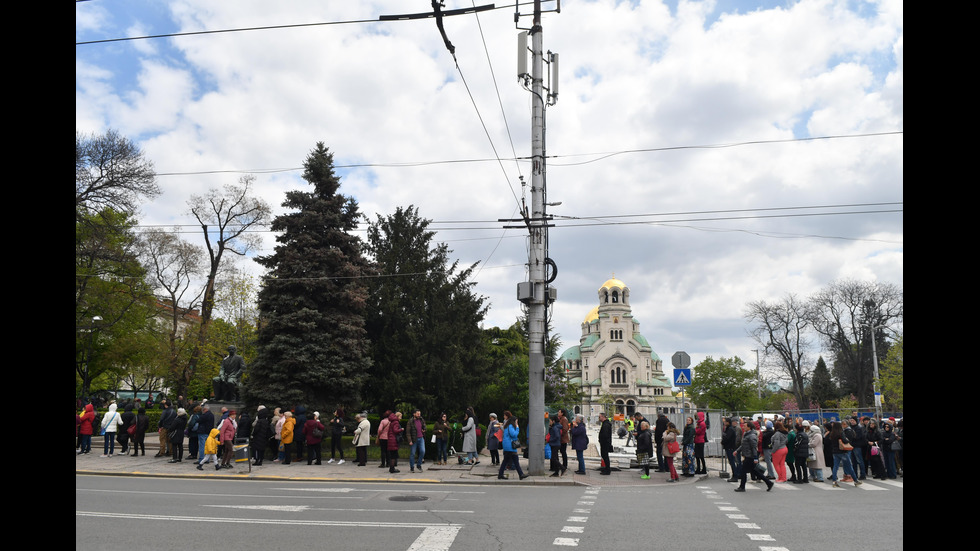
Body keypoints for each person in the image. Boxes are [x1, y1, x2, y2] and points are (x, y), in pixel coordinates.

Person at [735, 421, 773, 492]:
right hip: (747, 455)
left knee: (743, 471)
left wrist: (755, 458)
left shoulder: (752, 436)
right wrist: (737, 451)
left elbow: (754, 447)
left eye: (745, 426)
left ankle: (742, 487)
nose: (743, 427)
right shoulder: (746, 434)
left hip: (750, 456)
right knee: (754, 471)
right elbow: (743, 445)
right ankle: (769, 483)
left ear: (749, 427)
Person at [828, 421, 862, 487]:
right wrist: (847, 439)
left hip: (835, 452)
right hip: (842, 451)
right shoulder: (841, 433)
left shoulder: (832, 434)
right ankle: (856, 480)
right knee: (849, 466)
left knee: (835, 467)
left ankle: (834, 481)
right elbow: (845, 441)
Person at [497, 413, 528, 480]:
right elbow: (514, 434)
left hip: (508, 446)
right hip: (510, 446)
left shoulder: (507, 426)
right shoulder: (510, 426)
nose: (517, 423)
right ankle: (520, 474)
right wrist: (517, 428)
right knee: (511, 461)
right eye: (516, 421)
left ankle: (520, 474)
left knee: (512, 460)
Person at [407, 409, 426, 473]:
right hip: (414, 439)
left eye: (419, 414)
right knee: (412, 453)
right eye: (417, 414)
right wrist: (410, 440)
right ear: (414, 414)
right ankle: (412, 467)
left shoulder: (421, 420)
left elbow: (424, 426)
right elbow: (408, 432)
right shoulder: (411, 421)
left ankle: (419, 464)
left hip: (421, 438)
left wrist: (424, 429)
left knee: (422, 451)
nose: (419, 415)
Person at [722, 416, 740, 482]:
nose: (724, 423)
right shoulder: (728, 429)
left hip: (730, 448)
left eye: (725, 422)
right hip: (729, 447)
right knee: (731, 462)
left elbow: (727, 438)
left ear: (728, 422)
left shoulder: (730, 429)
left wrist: (723, 442)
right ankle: (735, 475)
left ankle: (735, 476)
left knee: (732, 462)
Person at [558, 409, 570, 475]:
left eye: (559, 412)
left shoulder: (564, 419)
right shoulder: (561, 419)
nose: (558, 413)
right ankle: (563, 465)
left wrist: (560, 434)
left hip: (563, 439)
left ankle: (565, 465)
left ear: (562, 413)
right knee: (562, 452)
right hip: (562, 439)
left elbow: (565, 429)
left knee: (563, 452)